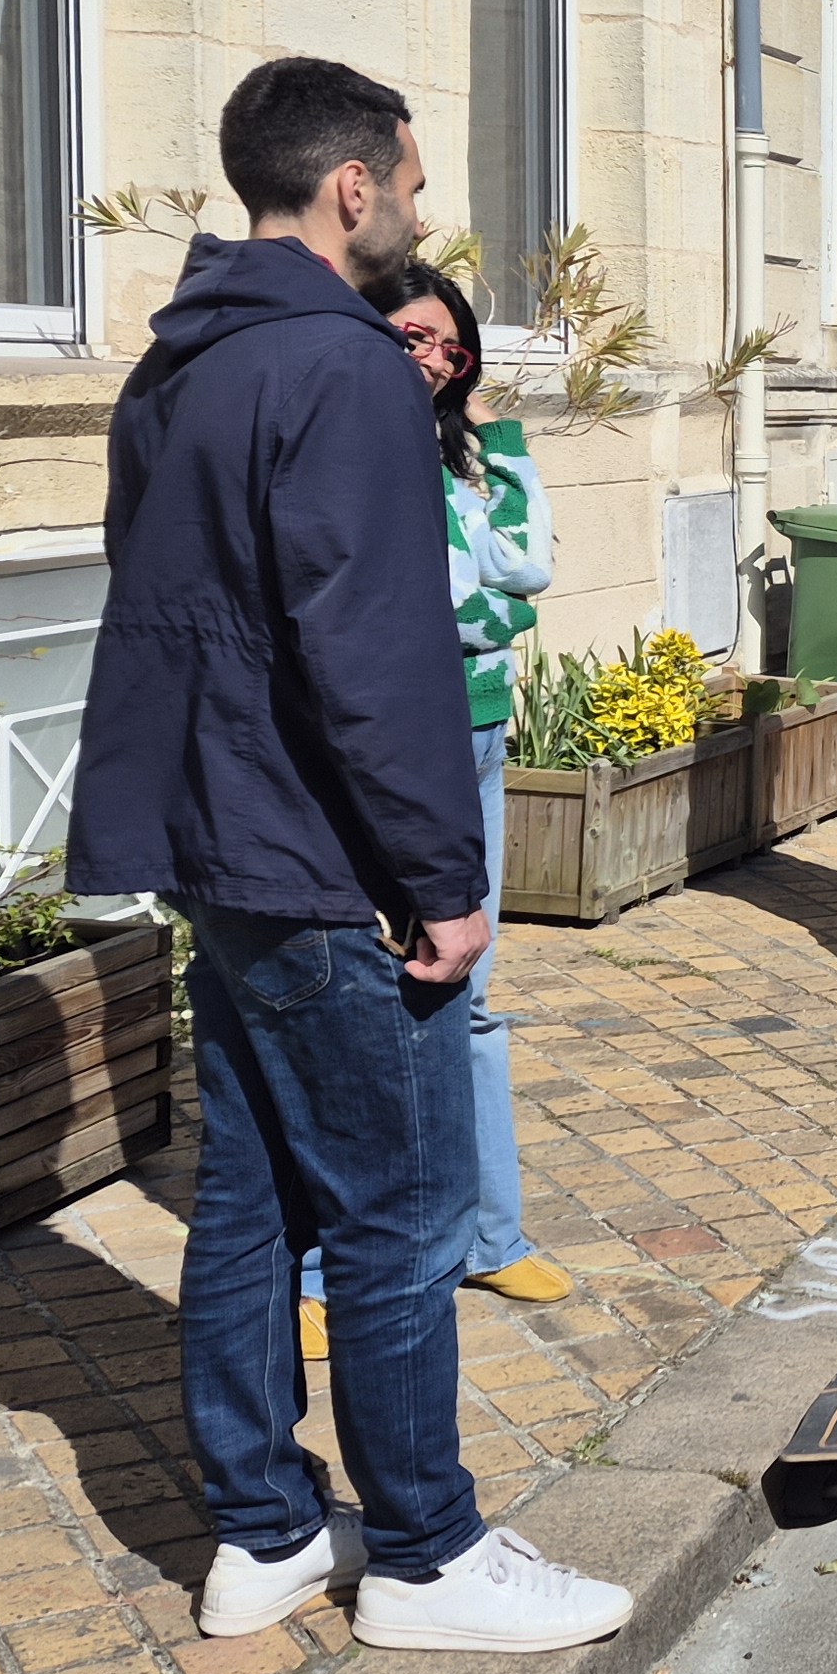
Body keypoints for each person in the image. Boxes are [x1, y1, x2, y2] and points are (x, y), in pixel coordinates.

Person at [71, 55, 629, 1656]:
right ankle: (428, 1557)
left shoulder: (178, 363)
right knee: (396, 1209)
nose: (423, 206)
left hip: (219, 839)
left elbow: (174, 604)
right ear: (354, 186)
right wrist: (444, 885)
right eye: (415, 176)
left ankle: (263, 1534)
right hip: (321, 854)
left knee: (248, 1196)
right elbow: (370, 651)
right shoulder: (345, 366)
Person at [292, 259, 565, 1363]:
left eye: (452, 350)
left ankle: (488, 1234)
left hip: (477, 733)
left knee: (477, 994)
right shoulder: (340, 433)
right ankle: (322, 1270)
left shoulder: (460, 445)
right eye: (413, 336)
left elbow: (516, 584)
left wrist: (486, 424)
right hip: (380, 742)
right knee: (360, 1004)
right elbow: (400, 605)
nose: (434, 360)